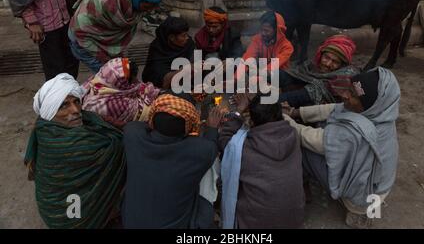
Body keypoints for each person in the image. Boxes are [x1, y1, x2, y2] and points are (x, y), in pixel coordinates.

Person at [283, 67, 400, 228]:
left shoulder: (356, 131)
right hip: (378, 184)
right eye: (349, 89)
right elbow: (334, 108)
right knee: (327, 121)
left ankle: (302, 189)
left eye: (352, 95)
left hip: (364, 195)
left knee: (299, 146)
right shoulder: (381, 113)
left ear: (367, 105)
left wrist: (283, 119)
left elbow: (310, 138)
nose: (345, 95)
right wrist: (296, 112)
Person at [25, 73, 126, 228]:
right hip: (69, 219)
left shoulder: (42, 126)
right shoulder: (79, 146)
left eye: (76, 102)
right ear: (50, 112)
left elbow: (97, 119)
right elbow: (119, 146)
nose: (75, 110)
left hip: (54, 209)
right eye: (64, 105)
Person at [121, 93, 223, 228]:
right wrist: (212, 128)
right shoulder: (201, 151)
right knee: (206, 200)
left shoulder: (133, 136)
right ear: (189, 126)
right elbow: (211, 144)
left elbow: (137, 126)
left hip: (131, 223)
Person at [218, 93, 305, 228]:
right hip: (293, 221)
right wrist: (262, 105)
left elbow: (225, 139)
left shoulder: (242, 148)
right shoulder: (293, 134)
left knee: (222, 178)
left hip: (256, 224)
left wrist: (239, 110)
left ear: (251, 122)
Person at [68, 0, 165, 73]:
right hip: (85, 42)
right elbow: (80, 31)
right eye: (147, 6)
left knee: (123, 74)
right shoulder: (104, 2)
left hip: (107, 42)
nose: (149, 10)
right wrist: (109, 62)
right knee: (112, 77)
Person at [280, 35, 359, 107]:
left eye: (335, 62)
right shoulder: (310, 67)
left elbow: (302, 95)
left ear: (342, 65)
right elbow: (290, 76)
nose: (328, 64)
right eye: (326, 57)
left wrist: (270, 102)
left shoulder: (342, 78)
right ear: (320, 55)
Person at [82, 57, 160, 128]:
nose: (136, 82)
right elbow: (145, 111)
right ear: (121, 82)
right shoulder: (111, 104)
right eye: (131, 81)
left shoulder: (100, 80)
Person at [238, 11, 294, 83]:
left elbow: (273, 66)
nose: (263, 33)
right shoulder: (257, 39)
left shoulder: (287, 47)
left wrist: (256, 80)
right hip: (263, 70)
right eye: (262, 30)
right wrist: (236, 77)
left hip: (278, 73)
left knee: (277, 76)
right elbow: (248, 56)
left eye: (266, 31)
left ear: (277, 31)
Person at [142, 16, 195, 88]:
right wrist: (182, 71)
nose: (187, 38)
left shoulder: (188, 44)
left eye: (186, 34)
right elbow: (156, 78)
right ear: (172, 37)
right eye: (183, 35)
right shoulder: (157, 49)